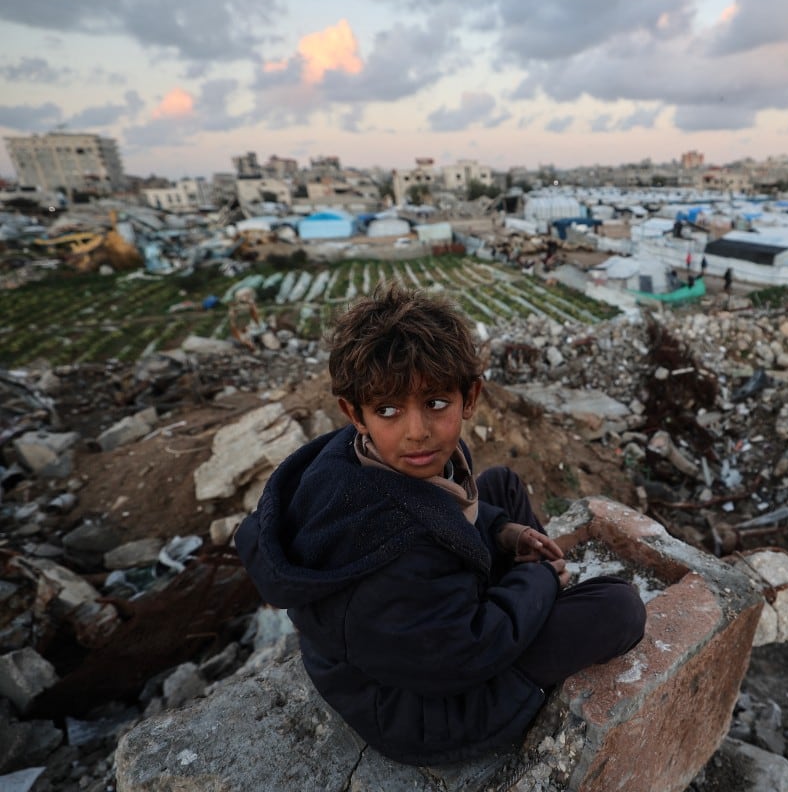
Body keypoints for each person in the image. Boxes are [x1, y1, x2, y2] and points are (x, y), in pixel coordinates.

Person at [235, 284, 646, 766]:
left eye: (435, 403)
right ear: (355, 413)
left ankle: (524, 596)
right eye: (388, 410)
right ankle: (538, 599)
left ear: (468, 397)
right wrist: (533, 580)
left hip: (424, 628)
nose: (417, 431)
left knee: (502, 486)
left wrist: (502, 533)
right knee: (618, 608)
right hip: (428, 706)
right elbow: (464, 653)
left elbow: (452, 510)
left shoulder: (385, 456)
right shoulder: (392, 544)